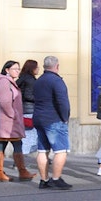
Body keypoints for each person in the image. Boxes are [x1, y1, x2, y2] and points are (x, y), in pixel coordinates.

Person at [0, 61, 35, 182]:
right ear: (7, 70)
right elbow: (4, 101)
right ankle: (0, 172)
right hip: (6, 120)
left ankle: (21, 171)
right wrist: (13, 115)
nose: (17, 71)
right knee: (2, 144)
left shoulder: (10, 81)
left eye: (18, 69)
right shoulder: (4, 82)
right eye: (14, 69)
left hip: (9, 120)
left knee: (14, 144)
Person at [32, 55, 72, 190]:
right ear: (57, 66)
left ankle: (44, 180)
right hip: (54, 119)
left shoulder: (38, 81)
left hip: (38, 118)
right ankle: (56, 178)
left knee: (42, 150)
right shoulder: (57, 81)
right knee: (61, 150)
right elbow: (62, 102)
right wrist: (65, 117)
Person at [16, 59, 40, 155]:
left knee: (26, 135)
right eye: (37, 67)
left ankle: (19, 157)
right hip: (30, 110)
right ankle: (21, 158)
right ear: (32, 69)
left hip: (22, 109)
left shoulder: (22, 78)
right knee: (30, 135)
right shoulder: (30, 80)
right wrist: (39, 98)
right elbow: (28, 95)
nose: (38, 69)